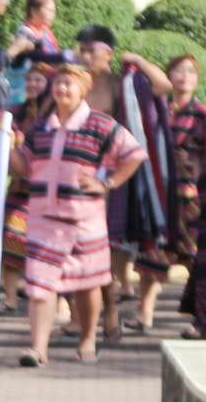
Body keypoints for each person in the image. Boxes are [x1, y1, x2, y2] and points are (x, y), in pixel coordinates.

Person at [13, 64, 147, 366]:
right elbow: (25, 167)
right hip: (44, 218)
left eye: (68, 84)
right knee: (39, 283)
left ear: (83, 90)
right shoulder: (41, 126)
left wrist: (107, 183)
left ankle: (87, 341)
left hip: (84, 219)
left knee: (88, 283)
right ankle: (38, 349)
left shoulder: (100, 124)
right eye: (58, 83)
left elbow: (134, 154)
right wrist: (10, 147)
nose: (62, 88)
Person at [75, 26, 175, 336]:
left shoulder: (124, 84)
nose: (85, 56)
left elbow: (164, 85)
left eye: (91, 51)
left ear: (108, 53)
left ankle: (110, 308)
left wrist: (140, 61)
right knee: (76, 245)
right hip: (76, 169)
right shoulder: (74, 84)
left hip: (113, 174)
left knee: (106, 244)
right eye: (82, 50)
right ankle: (83, 314)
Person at [1, 62, 57, 308]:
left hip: (49, 192)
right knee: (11, 238)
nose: (33, 84)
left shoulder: (55, 115)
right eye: (30, 79)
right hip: (20, 188)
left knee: (48, 249)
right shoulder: (15, 112)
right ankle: (10, 298)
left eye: (39, 80)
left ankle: (57, 303)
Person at [167, 56, 206, 338]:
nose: (184, 76)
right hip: (168, 191)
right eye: (178, 70)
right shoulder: (159, 108)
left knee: (197, 258)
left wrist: (192, 168)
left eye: (190, 71)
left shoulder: (200, 113)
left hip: (193, 195)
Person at [12, 0, 68, 69]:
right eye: (49, 10)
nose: (53, 15)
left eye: (54, 11)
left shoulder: (46, 31)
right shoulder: (25, 32)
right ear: (34, 11)